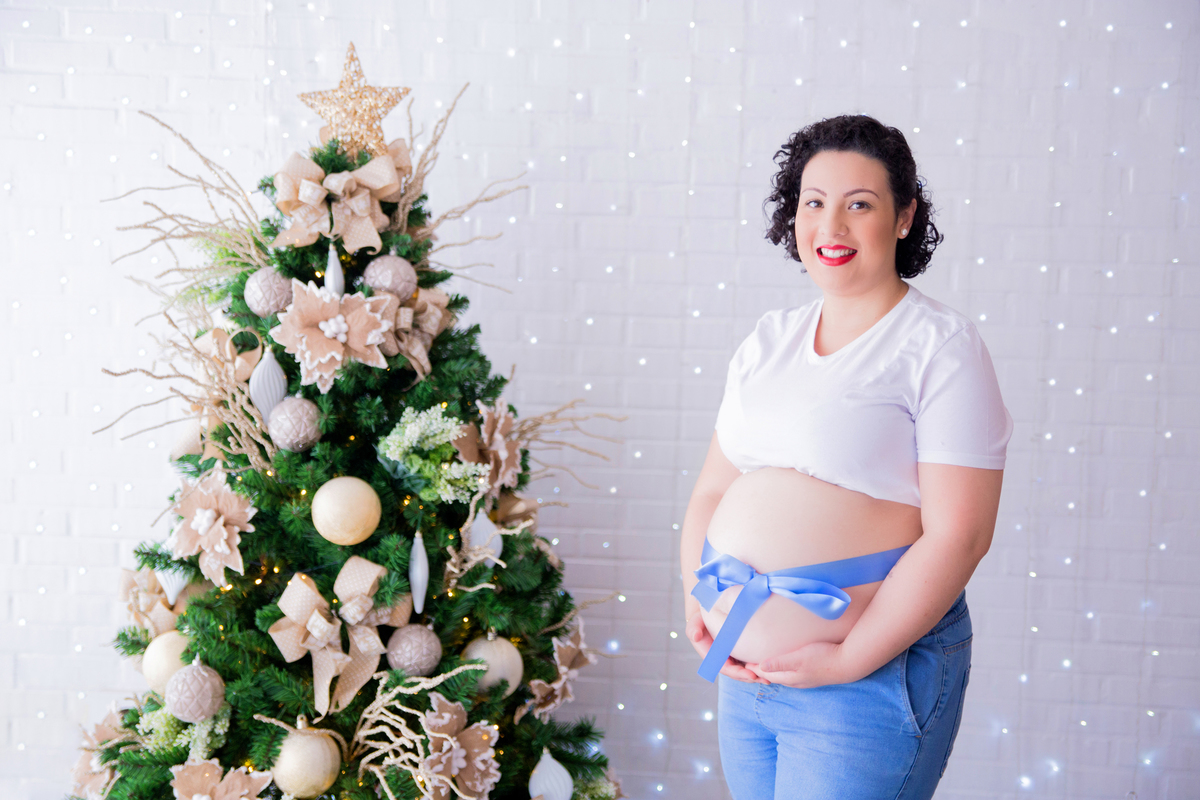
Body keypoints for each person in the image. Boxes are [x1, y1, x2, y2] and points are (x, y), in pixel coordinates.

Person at [680, 114, 1012, 799]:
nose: (830, 228)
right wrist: (701, 598)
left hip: (869, 675)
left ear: (903, 216)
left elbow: (962, 535)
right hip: (746, 673)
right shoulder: (770, 339)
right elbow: (714, 490)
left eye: (858, 204)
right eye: (813, 203)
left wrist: (848, 659)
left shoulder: (940, 347)